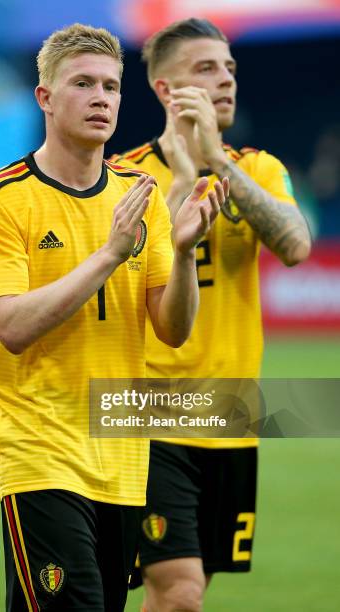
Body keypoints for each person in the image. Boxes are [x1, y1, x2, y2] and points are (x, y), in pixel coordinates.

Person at [0, 23, 228, 612]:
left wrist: (183, 255)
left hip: (123, 457)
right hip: (38, 453)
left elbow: (174, 328)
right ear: (46, 97)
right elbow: (11, 326)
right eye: (83, 83)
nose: (102, 98)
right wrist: (110, 255)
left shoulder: (141, 194)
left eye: (111, 86)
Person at [111, 18, 311, 612]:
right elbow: (123, 281)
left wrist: (216, 164)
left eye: (229, 69)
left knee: (178, 594)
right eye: (206, 69)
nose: (225, 80)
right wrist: (181, 178)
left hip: (230, 413)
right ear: (166, 91)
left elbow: (296, 247)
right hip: (146, 412)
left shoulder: (258, 169)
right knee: (181, 593)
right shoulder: (122, 176)